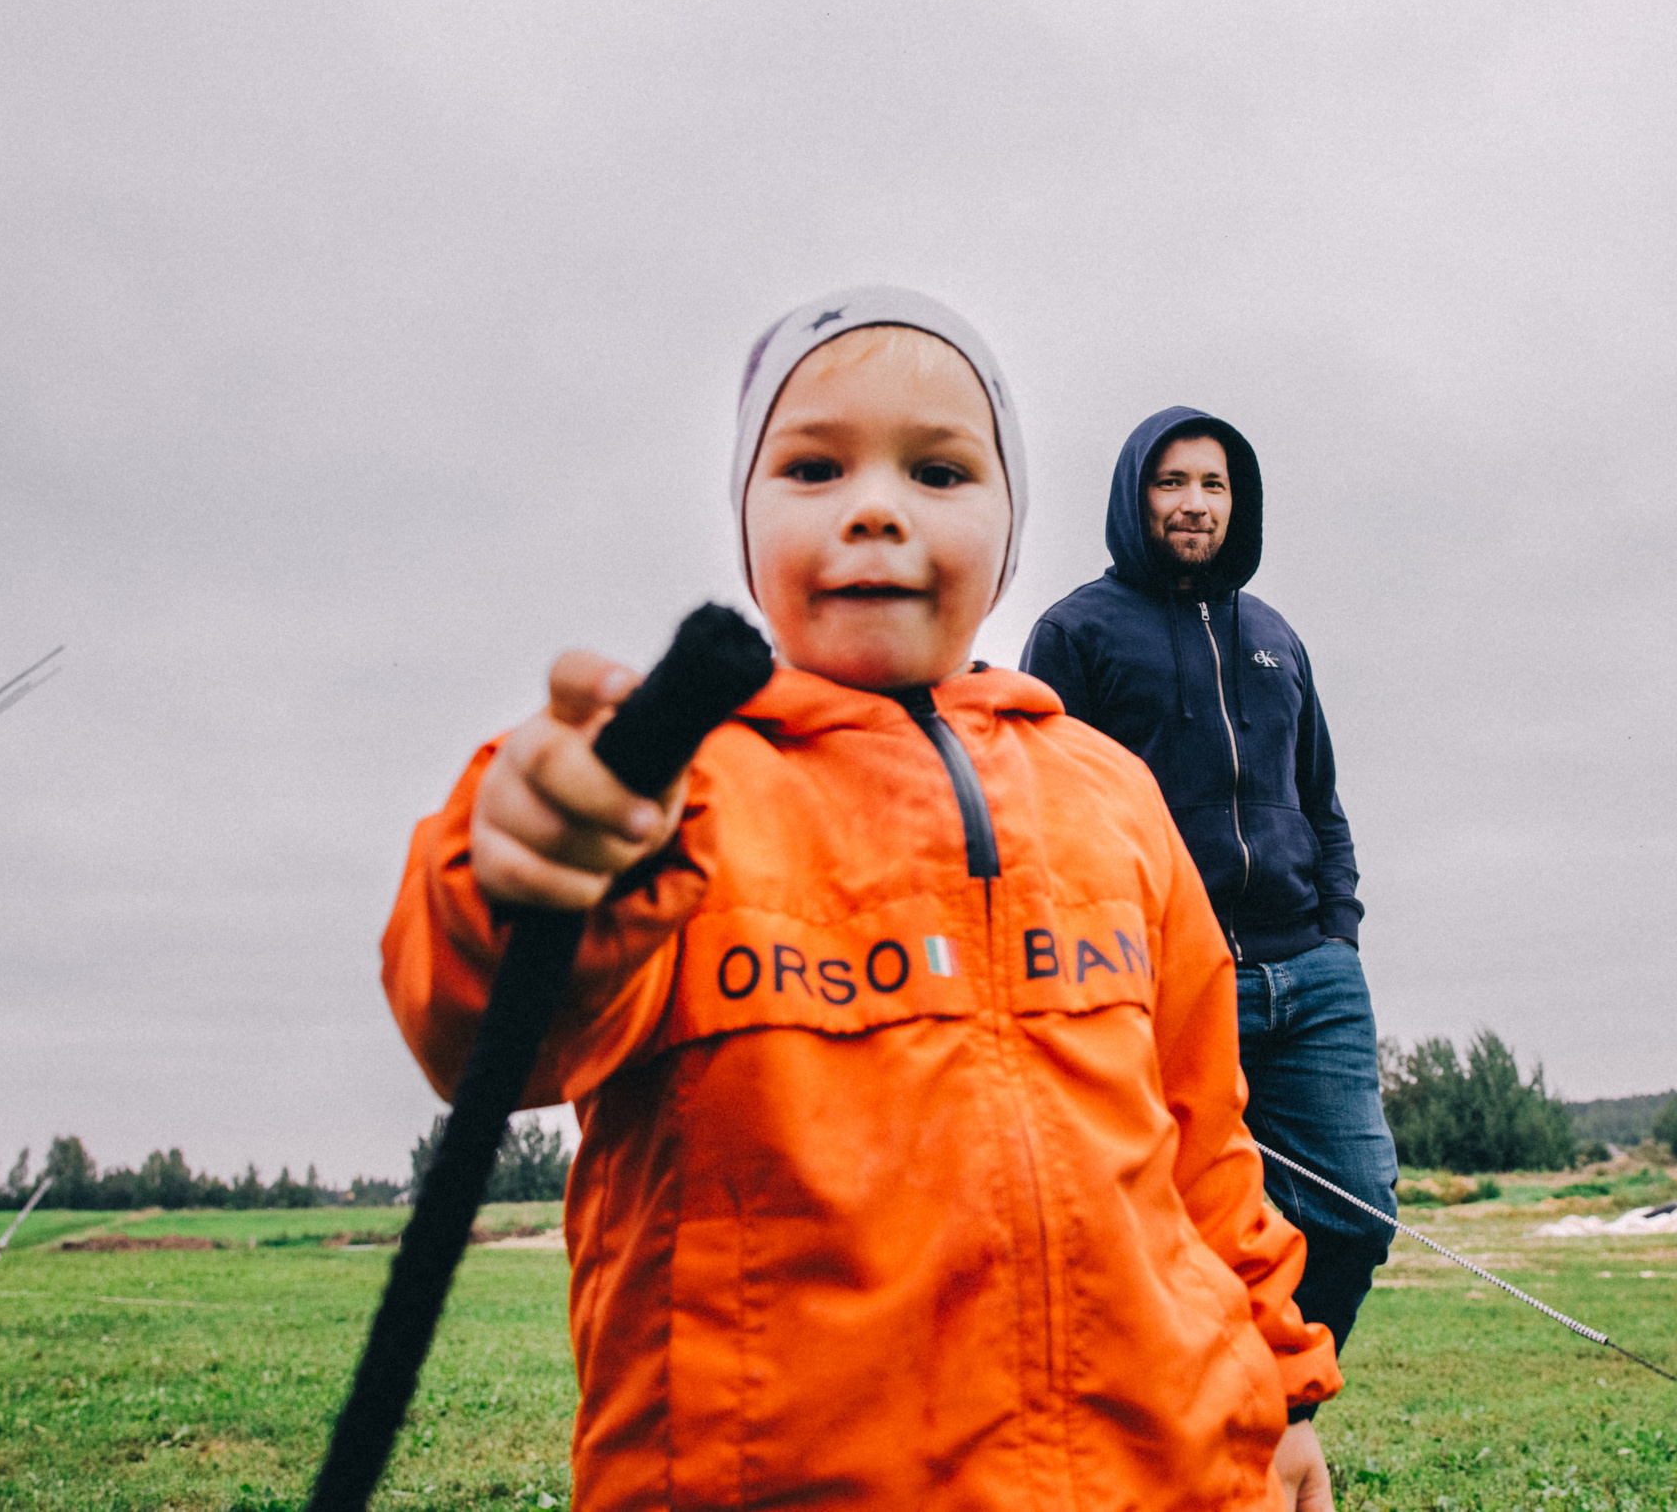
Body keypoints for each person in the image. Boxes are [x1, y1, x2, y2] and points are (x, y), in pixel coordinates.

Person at [380, 291, 1341, 1512]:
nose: (875, 508)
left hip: (1163, 1477)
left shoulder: (1112, 792)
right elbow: (476, 1032)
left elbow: (1205, 1140)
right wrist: (519, 866)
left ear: (1009, 528)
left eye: (939, 472)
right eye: (813, 468)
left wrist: (1283, 1392)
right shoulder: (664, 794)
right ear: (746, 523)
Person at [1021, 408, 1397, 1362]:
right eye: (1172, 481)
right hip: (1168, 979)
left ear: (1239, 502)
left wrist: (1338, 933)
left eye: (1214, 485)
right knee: (1166, 1222)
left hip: (1308, 975)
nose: (1195, 503)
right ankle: (1199, 1412)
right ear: (1135, 495)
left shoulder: (1275, 636)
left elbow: (1319, 797)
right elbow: (1046, 816)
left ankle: (1272, 1395)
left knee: (1357, 1211)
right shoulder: (1074, 633)